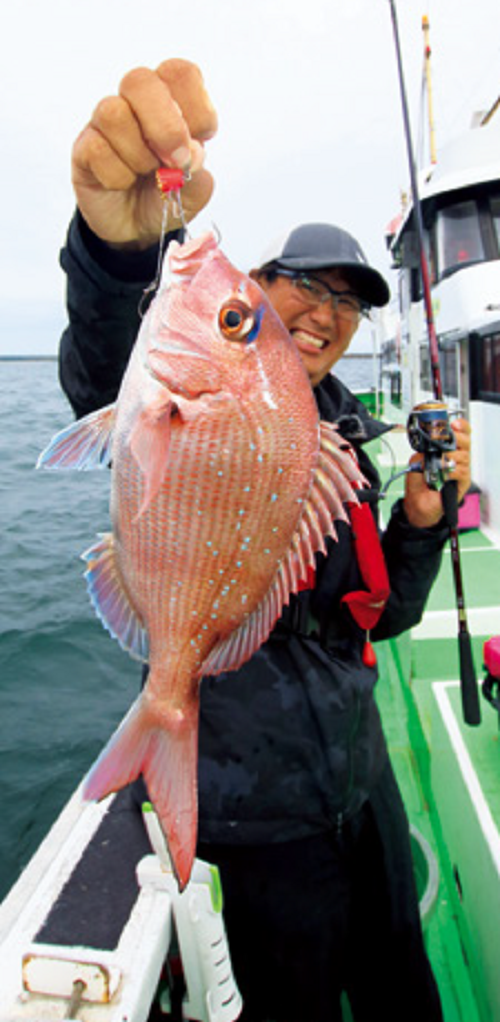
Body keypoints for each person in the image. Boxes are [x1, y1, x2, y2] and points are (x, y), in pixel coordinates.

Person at [58, 60, 471, 1022]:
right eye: (304, 289)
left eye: (349, 303)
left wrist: (419, 530)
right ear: (262, 287)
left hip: (362, 782)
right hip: (253, 807)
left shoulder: (348, 444)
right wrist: (115, 257)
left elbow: (379, 618)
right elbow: (109, 369)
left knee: (404, 993)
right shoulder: (199, 377)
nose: (326, 314)